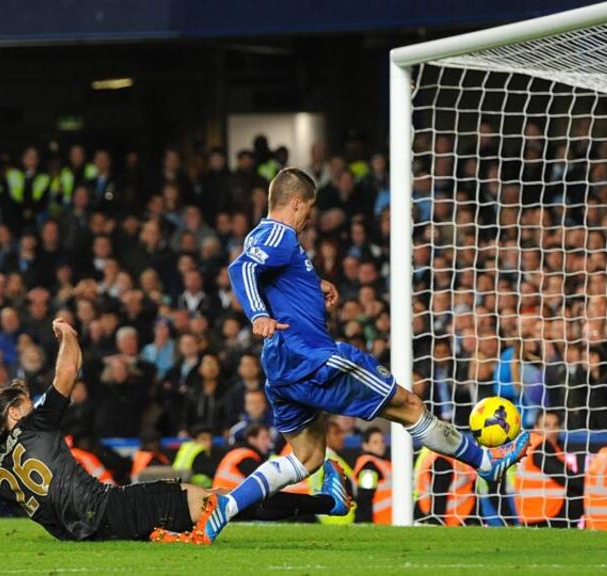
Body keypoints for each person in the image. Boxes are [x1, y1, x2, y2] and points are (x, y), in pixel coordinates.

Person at [162, 168, 527, 545]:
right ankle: (487, 463)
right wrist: (258, 314)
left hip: (283, 366)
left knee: (307, 458)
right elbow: (243, 267)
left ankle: (224, 509)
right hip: (311, 357)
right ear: (298, 202)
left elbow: (274, 275)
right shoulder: (278, 232)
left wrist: (312, 283)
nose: (309, 219)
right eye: (309, 209)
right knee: (408, 404)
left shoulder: (274, 239)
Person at [0, 317, 352, 544]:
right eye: (23, 400)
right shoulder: (35, 425)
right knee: (222, 503)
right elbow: (67, 374)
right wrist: (69, 335)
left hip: (91, 532)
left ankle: (323, 503)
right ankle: (325, 503)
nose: (31, 403)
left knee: (220, 502)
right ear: (13, 414)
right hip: (117, 509)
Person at [514, 410, 583, 528]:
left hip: (531, 512)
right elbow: (564, 477)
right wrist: (589, 483)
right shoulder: (540, 447)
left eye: (555, 425)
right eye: (546, 425)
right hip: (546, 513)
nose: (552, 430)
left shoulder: (530, 443)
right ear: (536, 427)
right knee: (583, 492)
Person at [212, 423, 274, 491]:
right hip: (229, 497)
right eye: (264, 438)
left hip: (223, 497)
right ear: (252, 439)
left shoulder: (239, 452)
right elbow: (264, 483)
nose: (268, 441)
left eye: (269, 438)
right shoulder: (247, 457)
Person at [353, 426, 392, 525]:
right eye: (375, 442)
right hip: (375, 519)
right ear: (365, 446)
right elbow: (365, 495)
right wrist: (364, 522)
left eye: (382, 441)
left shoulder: (384, 462)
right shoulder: (368, 466)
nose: (380, 445)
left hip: (386, 518)